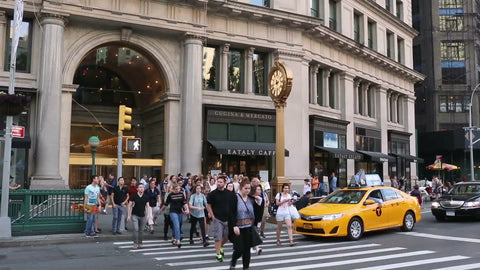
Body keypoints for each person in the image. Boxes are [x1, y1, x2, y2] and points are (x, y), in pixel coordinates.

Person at [229, 180, 263, 270]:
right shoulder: (235, 198)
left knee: (247, 250)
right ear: (241, 188)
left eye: (249, 188)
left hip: (248, 227)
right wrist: (233, 225)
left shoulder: (251, 199)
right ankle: (233, 260)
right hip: (238, 228)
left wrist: (259, 203)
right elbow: (231, 213)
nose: (247, 190)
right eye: (245, 188)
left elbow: (257, 214)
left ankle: (246, 267)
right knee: (239, 249)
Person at [207, 176, 236, 262]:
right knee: (218, 237)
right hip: (217, 218)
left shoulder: (230, 194)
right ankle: (218, 254)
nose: (219, 183)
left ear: (225, 183)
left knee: (227, 237)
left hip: (228, 218)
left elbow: (233, 206)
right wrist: (213, 216)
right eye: (218, 182)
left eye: (221, 182)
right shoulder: (212, 194)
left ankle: (221, 246)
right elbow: (208, 205)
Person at [162, 184, 189, 248]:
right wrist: (160, 211)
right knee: (176, 224)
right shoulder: (170, 195)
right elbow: (166, 204)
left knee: (178, 225)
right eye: (176, 189)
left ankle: (174, 237)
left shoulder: (181, 194)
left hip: (180, 211)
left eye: (178, 189)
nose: (177, 190)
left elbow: (184, 203)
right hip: (173, 212)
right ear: (173, 189)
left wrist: (187, 209)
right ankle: (178, 240)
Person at [127, 183, 150, 249]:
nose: (141, 188)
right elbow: (129, 205)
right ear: (137, 189)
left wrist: (148, 215)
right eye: (140, 187)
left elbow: (148, 206)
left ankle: (140, 243)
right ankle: (135, 243)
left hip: (143, 215)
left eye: (142, 187)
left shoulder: (146, 196)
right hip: (135, 215)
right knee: (136, 229)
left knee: (141, 230)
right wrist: (129, 215)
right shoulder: (133, 196)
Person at [249, 184, 265, 255]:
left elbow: (258, 201)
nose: (259, 191)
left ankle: (253, 247)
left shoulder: (260, 198)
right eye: (258, 189)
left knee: (254, 233)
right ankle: (256, 247)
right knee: (253, 233)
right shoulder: (250, 198)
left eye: (260, 189)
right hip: (250, 219)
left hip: (257, 219)